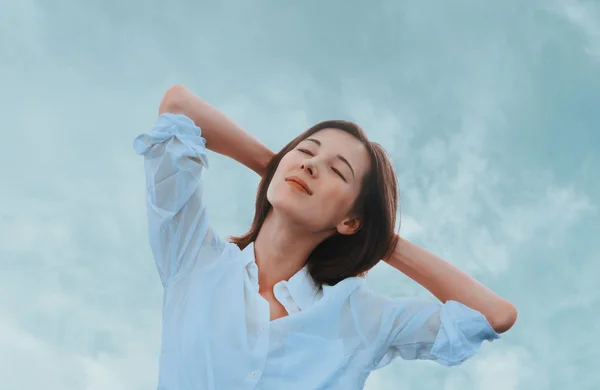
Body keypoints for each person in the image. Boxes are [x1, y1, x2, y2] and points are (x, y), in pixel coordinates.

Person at [133, 84, 517, 389]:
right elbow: (178, 105)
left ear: (351, 221)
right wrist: (276, 167)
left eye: (337, 170)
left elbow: (495, 315)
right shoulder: (194, 257)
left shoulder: (357, 317)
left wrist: (380, 239)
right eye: (306, 151)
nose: (311, 164)